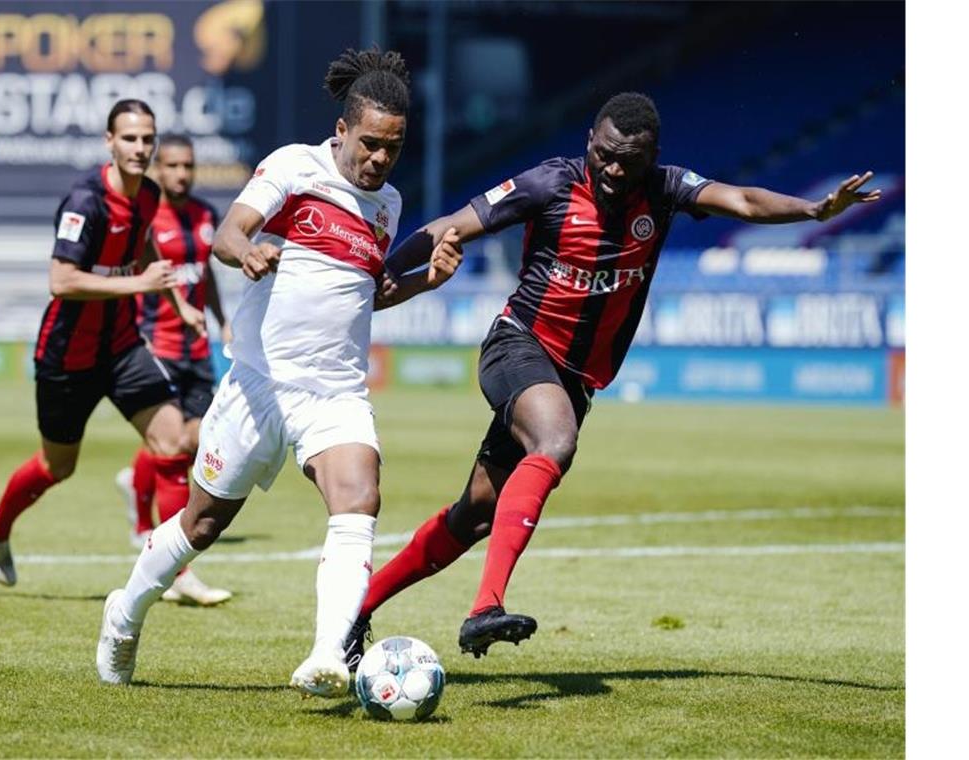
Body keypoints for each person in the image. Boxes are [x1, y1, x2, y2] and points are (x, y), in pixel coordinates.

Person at [345, 91, 882, 666]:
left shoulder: (667, 189)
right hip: (517, 345)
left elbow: (744, 200)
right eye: (604, 155)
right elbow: (451, 224)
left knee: (474, 512)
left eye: (630, 160)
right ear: (589, 144)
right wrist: (382, 273)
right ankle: (484, 608)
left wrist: (813, 210)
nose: (615, 170)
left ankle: (355, 611)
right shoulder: (549, 184)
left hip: (575, 380)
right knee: (556, 441)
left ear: (652, 157)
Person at [95, 48, 463, 697]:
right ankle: (125, 611)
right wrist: (251, 252)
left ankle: (327, 655)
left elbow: (366, 292)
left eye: (393, 149)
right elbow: (228, 234)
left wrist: (420, 283)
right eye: (370, 144)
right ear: (343, 131)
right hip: (257, 384)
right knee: (202, 524)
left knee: (360, 497)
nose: (379, 160)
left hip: (335, 391)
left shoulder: (389, 205)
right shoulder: (296, 166)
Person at [0, 99, 207, 588]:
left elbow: (145, 246)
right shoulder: (85, 202)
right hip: (67, 357)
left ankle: (177, 572)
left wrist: (180, 303)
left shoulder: (148, 195)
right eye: (129, 138)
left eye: (147, 139)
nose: (139, 148)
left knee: (170, 444)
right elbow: (61, 280)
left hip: (123, 347)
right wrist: (140, 285)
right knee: (57, 466)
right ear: (109, 141)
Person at [111, 132, 233, 607]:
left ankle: (137, 486)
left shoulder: (205, 215)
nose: (182, 174)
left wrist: (222, 320)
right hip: (155, 345)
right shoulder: (144, 217)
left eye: (189, 166)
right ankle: (177, 568)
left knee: (191, 440)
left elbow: (206, 276)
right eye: (174, 166)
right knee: (175, 448)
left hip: (198, 349)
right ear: (158, 170)